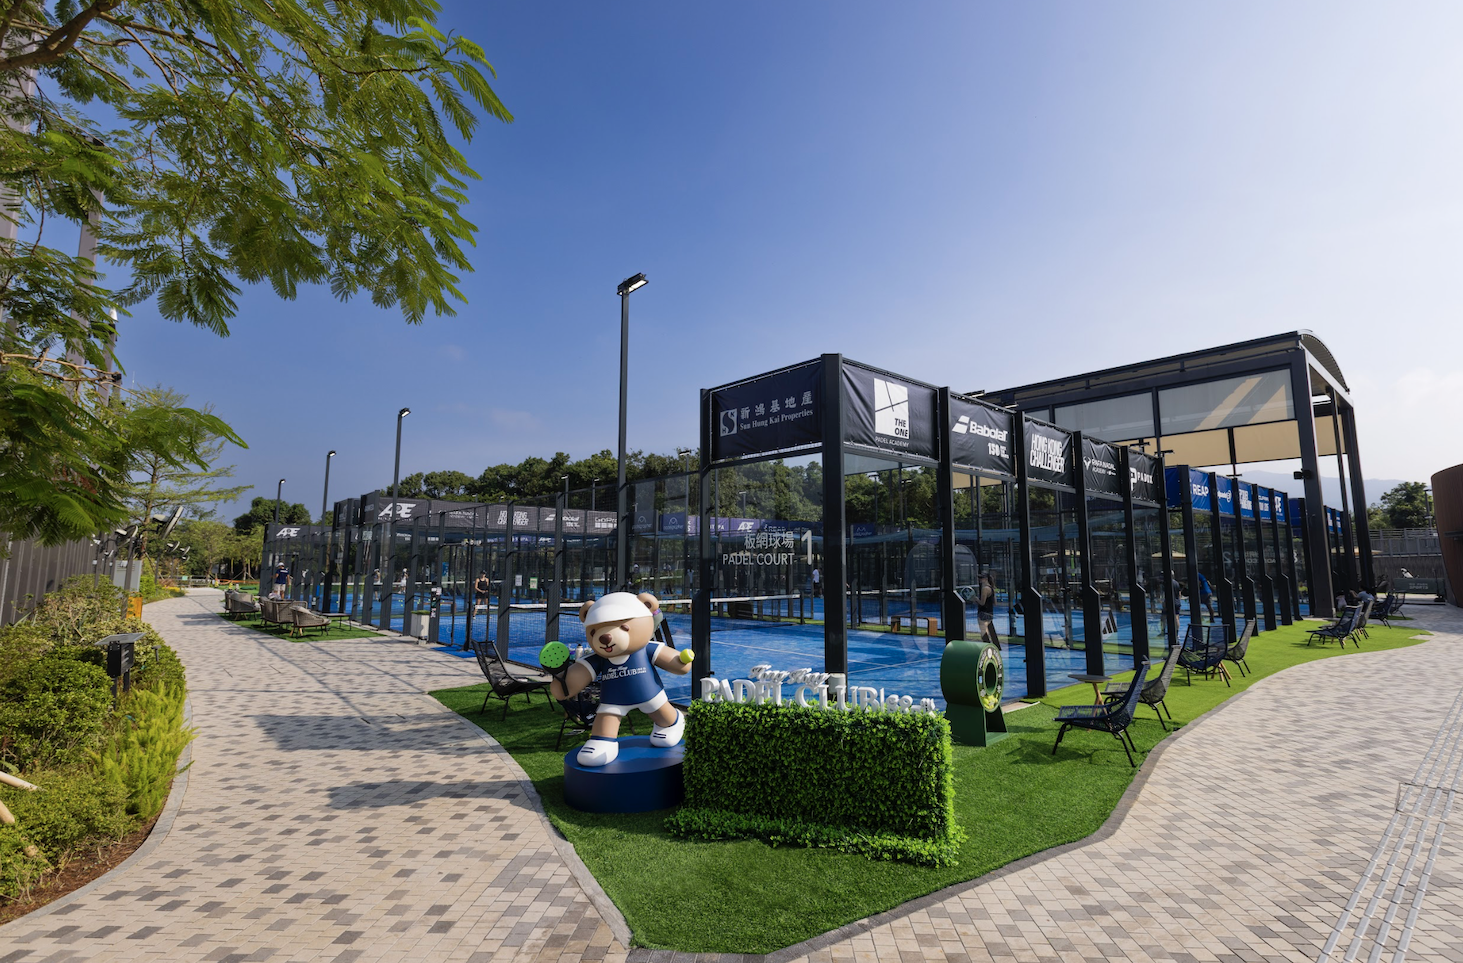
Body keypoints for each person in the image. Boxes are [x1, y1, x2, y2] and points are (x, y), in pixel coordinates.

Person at [976, 572, 998, 645]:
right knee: (990, 631)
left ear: (985, 579)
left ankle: (987, 646)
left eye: (981, 578)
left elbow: (982, 603)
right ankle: (996, 647)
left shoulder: (985, 589)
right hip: (990, 612)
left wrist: (975, 599)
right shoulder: (992, 588)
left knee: (983, 632)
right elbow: (995, 603)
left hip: (983, 613)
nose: (979, 579)